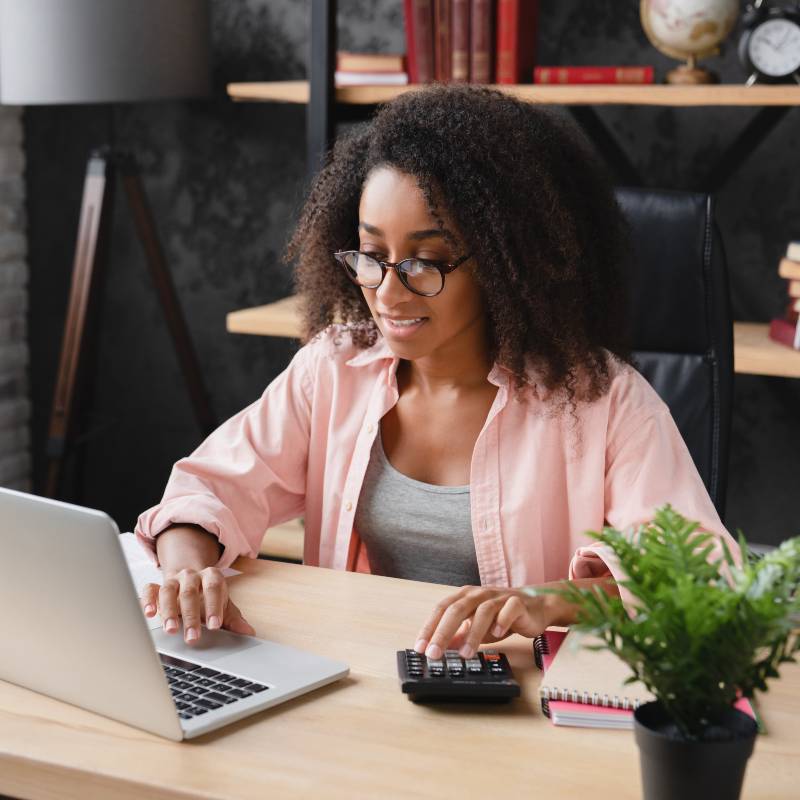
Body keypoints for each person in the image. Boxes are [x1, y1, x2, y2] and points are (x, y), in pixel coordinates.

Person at [135, 84, 736, 662]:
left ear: (508, 265)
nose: (389, 292)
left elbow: (705, 584)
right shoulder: (335, 368)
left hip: (523, 713)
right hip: (357, 682)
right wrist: (188, 570)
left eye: (428, 261)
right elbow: (208, 490)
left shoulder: (604, 403)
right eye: (372, 256)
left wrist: (552, 601)